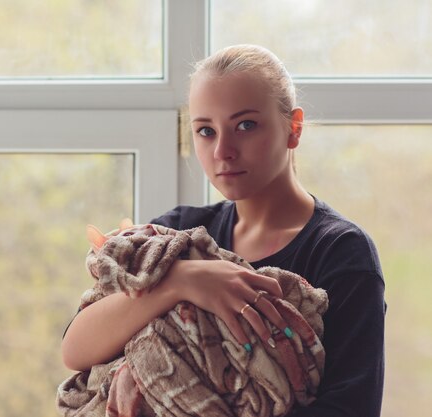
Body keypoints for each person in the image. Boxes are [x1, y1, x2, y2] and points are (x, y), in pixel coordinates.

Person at [61, 44, 385, 417]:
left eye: (245, 125)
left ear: (293, 128)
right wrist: (182, 280)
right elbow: (76, 349)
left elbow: (350, 407)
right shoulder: (178, 231)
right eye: (205, 131)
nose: (222, 151)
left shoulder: (340, 250)